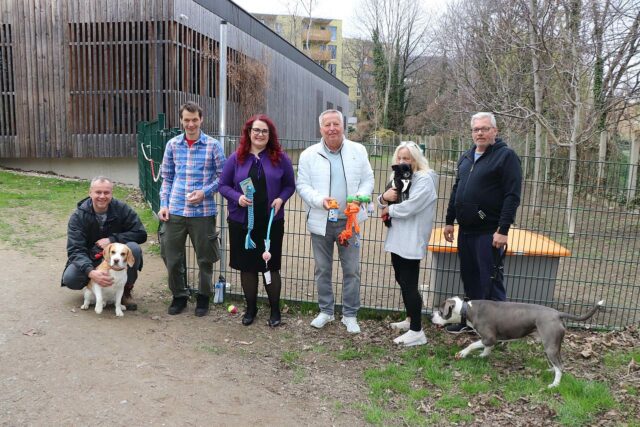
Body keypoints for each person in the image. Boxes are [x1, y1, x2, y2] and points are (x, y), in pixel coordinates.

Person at [296, 109, 374, 334]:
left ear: (343, 127)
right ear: (320, 128)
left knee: (351, 270)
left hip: (349, 223)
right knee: (322, 269)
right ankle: (326, 311)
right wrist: (320, 201)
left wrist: (359, 199)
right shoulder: (308, 155)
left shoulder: (358, 151)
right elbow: (302, 186)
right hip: (321, 222)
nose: (332, 128)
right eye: (327, 125)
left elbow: (368, 179)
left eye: (336, 124)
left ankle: (350, 314)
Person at [443, 112, 522, 333]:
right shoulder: (466, 157)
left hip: (489, 232)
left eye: (485, 128)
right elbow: (457, 190)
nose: (480, 133)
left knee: (491, 281)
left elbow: (512, 196)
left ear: (495, 131)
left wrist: (503, 229)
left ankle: (503, 330)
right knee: (470, 279)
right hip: (465, 231)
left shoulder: (506, 157)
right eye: (476, 129)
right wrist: (450, 220)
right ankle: (473, 323)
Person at [219, 114, 295, 327]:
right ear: (249, 133)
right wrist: (238, 197)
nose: (260, 134)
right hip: (242, 223)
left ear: (270, 135)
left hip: (270, 223)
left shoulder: (280, 158)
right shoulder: (236, 158)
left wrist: (281, 198)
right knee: (248, 268)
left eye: (264, 131)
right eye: (256, 130)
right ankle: (251, 309)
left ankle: (275, 310)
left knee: (270, 266)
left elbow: (290, 185)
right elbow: (223, 185)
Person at [158, 101, 226, 317]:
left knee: (205, 259)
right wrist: (164, 205)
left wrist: (204, 192)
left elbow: (223, 177)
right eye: (186, 120)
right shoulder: (172, 145)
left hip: (203, 212)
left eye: (194, 120)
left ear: (201, 119)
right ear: (181, 120)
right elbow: (167, 177)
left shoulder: (213, 146)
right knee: (172, 256)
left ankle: (203, 298)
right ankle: (179, 296)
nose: (190, 124)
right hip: (175, 210)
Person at [378, 142, 438, 347]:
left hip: (412, 237)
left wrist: (389, 211)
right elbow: (386, 199)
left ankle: (417, 332)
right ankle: (411, 319)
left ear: (416, 159)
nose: (403, 162)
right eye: (400, 158)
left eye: (408, 158)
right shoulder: (399, 177)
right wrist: (383, 200)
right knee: (401, 279)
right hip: (397, 236)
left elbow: (412, 206)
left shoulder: (424, 179)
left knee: (410, 284)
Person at [61, 176, 147, 309]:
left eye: (106, 192)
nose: (102, 196)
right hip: (91, 257)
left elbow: (141, 234)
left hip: (117, 256)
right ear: (90, 193)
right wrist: (91, 272)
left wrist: (113, 239)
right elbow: (75, 249)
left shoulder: (122, 209)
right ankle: (94, 288)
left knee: (133, 248)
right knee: (70, 278)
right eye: (98, 192)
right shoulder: (78, 216)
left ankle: (125, 292)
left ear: (112, 193)